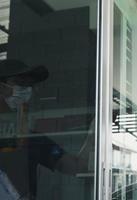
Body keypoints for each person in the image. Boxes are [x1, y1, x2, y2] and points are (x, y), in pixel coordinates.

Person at [0, 59, 91, 200]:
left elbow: (76, 167)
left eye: (30, 84)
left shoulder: (30, 140)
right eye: (21, 82)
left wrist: (94, 134)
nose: (27, 89)